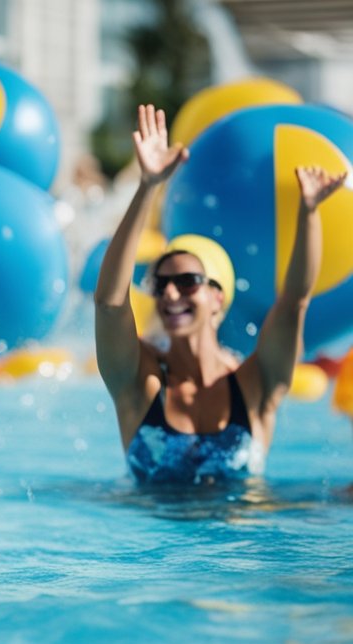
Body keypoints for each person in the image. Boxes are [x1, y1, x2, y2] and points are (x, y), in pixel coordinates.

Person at [95, 104, 348, 484]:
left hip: (243, 541)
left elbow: (294, 301)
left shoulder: (255, 384)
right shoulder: (139, 382)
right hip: (153, 539)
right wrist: (147, 187)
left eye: (187, 282)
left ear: (218, 297)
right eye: (160, 284)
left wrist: (308, 213)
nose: (170, 295)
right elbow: (110, 305)